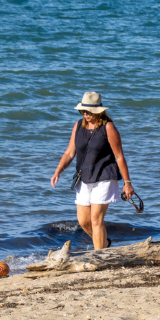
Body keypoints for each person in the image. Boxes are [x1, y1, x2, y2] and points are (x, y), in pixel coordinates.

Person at [50, 92, 134, 250]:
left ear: (98, 111)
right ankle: (104, 244)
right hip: (84, 177)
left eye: (88, 111)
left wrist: (127, 183)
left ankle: (100, 255)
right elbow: (69, 152)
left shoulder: (108, 127)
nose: (85, 113)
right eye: (82, 110)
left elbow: (119, 156)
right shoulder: (78, 126)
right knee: (83, 221)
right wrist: (58, 170)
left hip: (104, 176)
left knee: (96, 219)